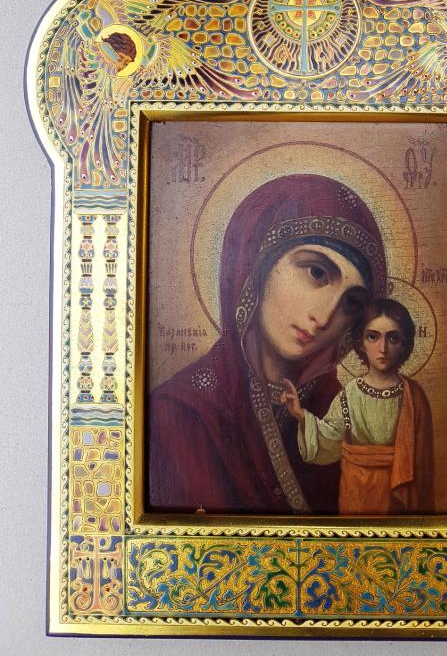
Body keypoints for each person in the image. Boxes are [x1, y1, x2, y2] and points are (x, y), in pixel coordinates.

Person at [149, 174, 388, 514]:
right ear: (256, 263)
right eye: (317, 272)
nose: (324, 317)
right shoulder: (179, 414)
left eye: (351, 302)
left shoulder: (339, 414)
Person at [282, 298, 434, 515]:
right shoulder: (350, 394)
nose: (383, 348)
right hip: (357, 494)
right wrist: (300, 415)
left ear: (404, 344)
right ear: (361, 343)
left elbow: (424, 464)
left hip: (400, 500)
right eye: (373, 337)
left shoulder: (414, 395)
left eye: (393, 338)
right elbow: (328, 442)